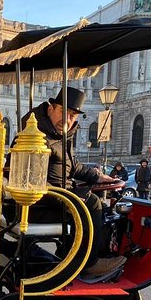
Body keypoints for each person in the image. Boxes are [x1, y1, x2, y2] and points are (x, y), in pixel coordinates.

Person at [15, 87, 126, 279]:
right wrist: (69, 197)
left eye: (72, 115)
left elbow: (72, 166)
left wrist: (97, 177)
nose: (67, 119)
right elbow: (29, 179)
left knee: (98, 200)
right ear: (50, 109)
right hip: (37, 205)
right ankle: (89, 264)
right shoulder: (36, 135)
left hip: (54, 199)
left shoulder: (59, 136)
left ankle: (74, 255)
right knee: (92, 203)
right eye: (63, 112)